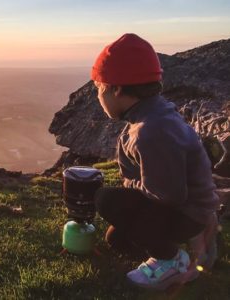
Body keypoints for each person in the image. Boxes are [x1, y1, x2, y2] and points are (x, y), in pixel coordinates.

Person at [91, 33, 221, 290]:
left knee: (107, 200)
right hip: (190, 207)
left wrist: (127, 189)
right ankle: (196, 239)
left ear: (117, 89)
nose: (98, 96)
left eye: (99, 88)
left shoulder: (150, 130)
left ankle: (171, 261)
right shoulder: (154, 113)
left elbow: (168, 194)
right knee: (117, 239)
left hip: (185, 211)